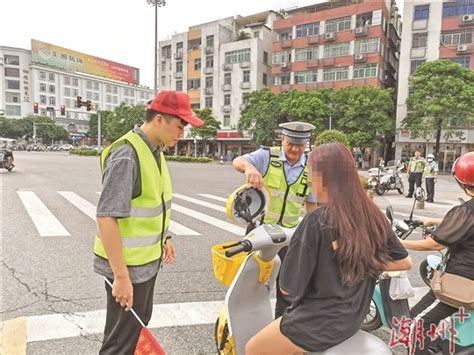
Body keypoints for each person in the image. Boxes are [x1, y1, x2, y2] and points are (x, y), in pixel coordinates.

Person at [245, 143, 412, 354]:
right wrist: (358, 258)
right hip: (353, 316)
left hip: (317, 322)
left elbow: (289, 287)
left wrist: (349, 257)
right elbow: (405, 261)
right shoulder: (373, 214)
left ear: (320, 176)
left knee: (253, 348)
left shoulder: (317, 220)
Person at [93, 91, 204, 354]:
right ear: (158, 120)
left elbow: (151, 202)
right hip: (127, 267)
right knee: (119, 342)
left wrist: (165, 237)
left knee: (134, 332)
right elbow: (106, 217)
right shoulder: (127, 154)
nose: (182, 133)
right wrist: (120, 277)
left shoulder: (154, 150)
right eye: (180, 125)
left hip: (145, 263)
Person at [232, 121, 317, 318]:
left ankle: (280, 330)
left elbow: (312, 208)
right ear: (283, 139)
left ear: (306, 145)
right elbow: (238, 161)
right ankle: (246, 322)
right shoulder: (266, 156)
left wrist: (314, 237)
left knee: (288, 290)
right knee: (251, 284)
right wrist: (249, 168)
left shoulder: (312, 168)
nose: (295, 149)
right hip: (260, 234)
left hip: (289, 237)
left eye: (300, 145)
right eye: (291, 144)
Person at [401, 151, 474, 355]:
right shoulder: (465, 213)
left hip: (463, 281)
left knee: (414, 324)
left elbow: (435, 245)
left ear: (461, 181)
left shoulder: (466, 211)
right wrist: (436, 221)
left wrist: (400, 243)